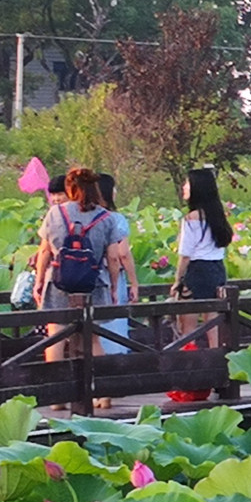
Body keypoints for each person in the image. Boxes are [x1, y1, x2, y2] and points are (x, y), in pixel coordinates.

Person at [30, 167, 125, 376]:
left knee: (55, 335)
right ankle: (102, 394)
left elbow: (44, 252)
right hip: (93, 283)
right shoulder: (106, 218)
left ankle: (57, 395)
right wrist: (114, 287)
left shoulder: (55, 213)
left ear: (70, 188)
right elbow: (113, 258)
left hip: (58, 282)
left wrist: (38, 282)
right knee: (92, 338)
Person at [92, 173, 141, 407]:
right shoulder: (116, 219)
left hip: (88, 281)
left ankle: (93, 389)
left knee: (91, 336)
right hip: (111, 280)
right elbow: (122, 254)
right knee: (113, 331)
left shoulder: (85, 216)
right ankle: (107, 390)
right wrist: (134, 282)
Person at [170, 167, 233, 348]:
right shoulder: (218, 217)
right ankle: (216, 362)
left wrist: (177, 281)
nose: (184, 187)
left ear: (197, 188)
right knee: (213, 324)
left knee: (188, 327)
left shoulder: (191, 219)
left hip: (196, 271)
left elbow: (185, 255)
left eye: (187, 184)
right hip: (217, 270)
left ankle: (190, 364)